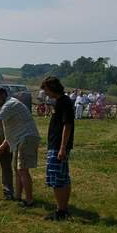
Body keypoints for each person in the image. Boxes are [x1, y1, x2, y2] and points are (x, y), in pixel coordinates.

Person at [41, 76, 74, 221]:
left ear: (52, 88)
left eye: (46, 90)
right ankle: (63, 209)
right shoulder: (59, 102)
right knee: (63, 178)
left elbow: (67, 125)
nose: (46, 93)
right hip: (56, 146)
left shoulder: (64, 102)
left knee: (57, 180)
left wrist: (62, 148)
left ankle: (60, 211)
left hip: (58, 147)